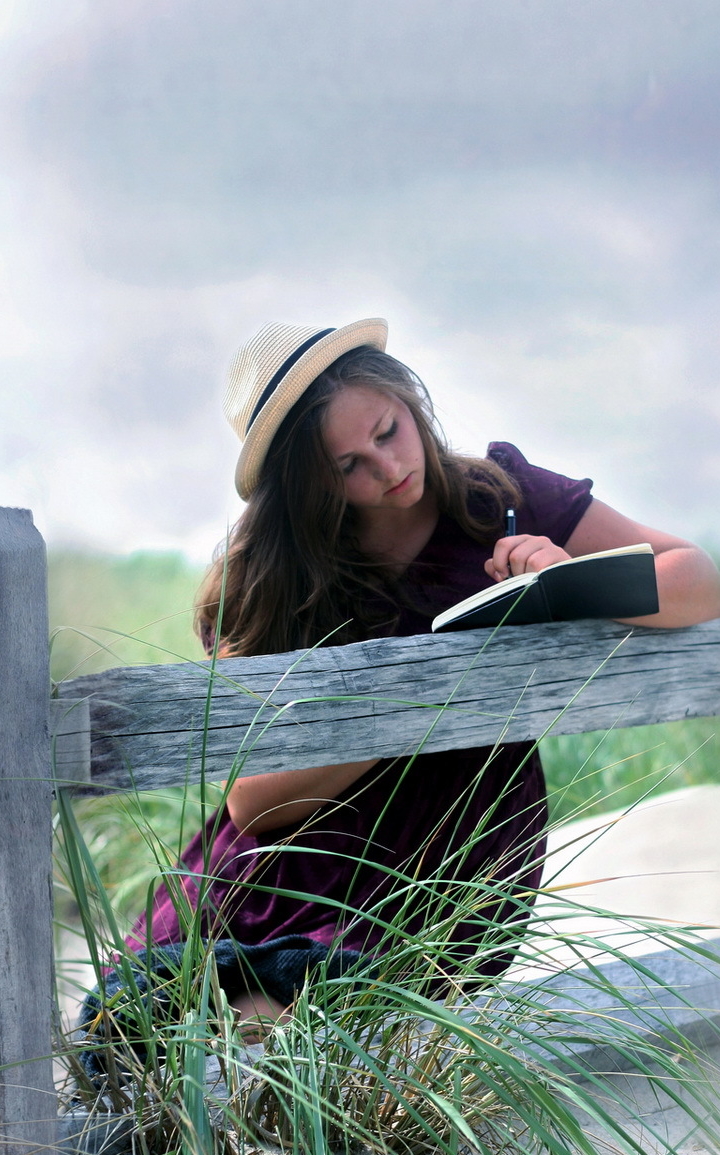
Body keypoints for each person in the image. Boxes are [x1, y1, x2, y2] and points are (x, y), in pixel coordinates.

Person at [122, 317, 720, 1041]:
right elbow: (251, 802)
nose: (385, 468)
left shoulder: (496, 497)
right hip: (302, 865)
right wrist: (417, 696)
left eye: (387, 430)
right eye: (347, 467)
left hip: (457, 843)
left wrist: (573, 581)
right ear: (308, 483)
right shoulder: (269, 575)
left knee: (311, 1030)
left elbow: (697, 579)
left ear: (409, 399)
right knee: (212, 1026)